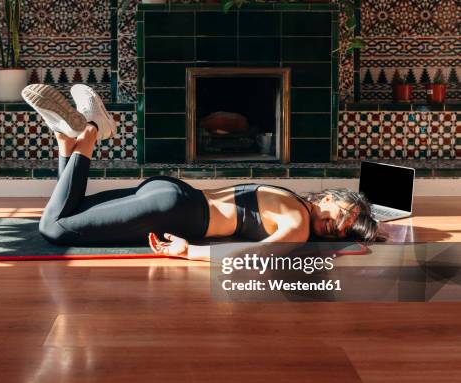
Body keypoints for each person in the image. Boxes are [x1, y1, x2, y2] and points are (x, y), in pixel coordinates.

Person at [22, 84, 380, 262]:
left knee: (72, 208)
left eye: (341, 232)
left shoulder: (287, 195)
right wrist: (189, 252)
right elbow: (250, 259)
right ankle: (92, 131)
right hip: (171, 211)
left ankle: (65, 142)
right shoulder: (299, 224)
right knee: (54, 229)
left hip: (172, 193)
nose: (335, 228)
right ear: (331, 198)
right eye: (341, 217)